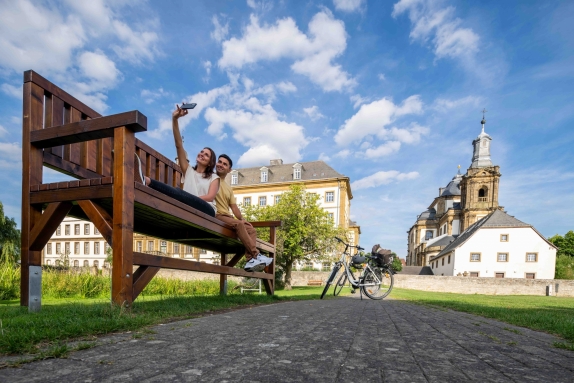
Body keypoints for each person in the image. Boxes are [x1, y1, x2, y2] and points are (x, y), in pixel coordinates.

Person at [134, 105, 220, 217]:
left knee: (179, 193)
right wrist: (175, 119)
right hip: (187, 206)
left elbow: (210, 197)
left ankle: (147, 181)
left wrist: (186, 198)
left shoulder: (214, 178)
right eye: (201, 152)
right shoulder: (188, 171)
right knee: (176, 195)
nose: (202, 154)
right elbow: (179, 145)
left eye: (206, 155)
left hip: (207, 209)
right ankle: (144, 180)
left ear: (210, 162)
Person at [214, 154, 273, 272]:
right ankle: (256, 255)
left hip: (227, 216)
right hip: (216, 215)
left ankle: (250, 261)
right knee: (239, 225)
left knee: (251, 229)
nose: (220, 165)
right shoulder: (211, 179)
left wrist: (242, 219)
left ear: (229, 170)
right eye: (219, 162)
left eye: (224, 164)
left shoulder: (228, 187)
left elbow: (234, 207)